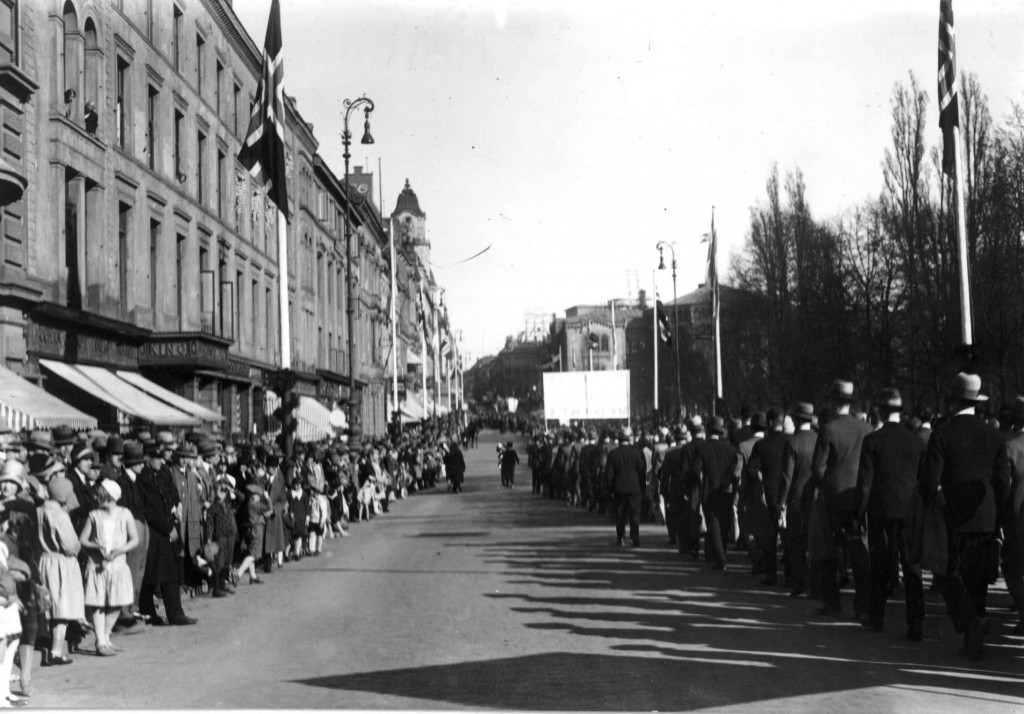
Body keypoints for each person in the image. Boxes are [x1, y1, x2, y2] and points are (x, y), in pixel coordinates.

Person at [920, 373, 1010, 660]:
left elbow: (928, 481)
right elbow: (1003, 483)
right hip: (986, 516)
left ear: (952, 400)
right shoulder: (995, 436)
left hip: (953, 517)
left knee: (948, 577)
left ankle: (970, 623)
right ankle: (974, 635)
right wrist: (998, 516)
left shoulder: (942, 435)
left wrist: (938, 500)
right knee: (979, 579)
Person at [855, 388, 925, 638]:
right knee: (911, 567)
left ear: (880, 411)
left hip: (880, 510)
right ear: (900, 410)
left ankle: (877, 619)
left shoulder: (872, 441)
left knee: (880, 566)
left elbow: (864, 483)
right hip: (909, 511)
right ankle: (915, 624)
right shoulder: (916, 441)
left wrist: (858, 513)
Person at [810, 379, 872, 620]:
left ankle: (832, 601)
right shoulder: (866, 428)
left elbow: (818, 468)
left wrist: (829, 482)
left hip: (834, 497)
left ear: (833, 402)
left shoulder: (828, 429)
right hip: (860, 496)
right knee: (859, 550)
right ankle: (863, 604)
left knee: (831, 552)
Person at [79, 480, 139, 656]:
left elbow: (134, 539)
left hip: (118, 564)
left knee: (117, 602)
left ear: (110, 496)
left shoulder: (125, 514)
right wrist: (96, 547)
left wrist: (120, 550)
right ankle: (101, 642)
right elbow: (82, 539)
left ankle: (105, 637)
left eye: (99, 494)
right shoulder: (94, 515)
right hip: (98, 564)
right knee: (98, 603)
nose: (96, 497)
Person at [37, 478, 84, 664]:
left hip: (44, 560)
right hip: (62, 564)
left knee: (49, 607)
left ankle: (47, 646)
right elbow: (71, 545)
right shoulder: (59, 515)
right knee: (62, 609)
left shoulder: (39, 511)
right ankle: (56, 651)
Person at [691, 416, 740, 568]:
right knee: (724, 523)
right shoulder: (730, 449)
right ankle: (721, 552)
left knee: (714, 525)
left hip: (709, 489)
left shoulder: (703, 448)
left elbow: (695, 470)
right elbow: (734, 471)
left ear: (707, 429)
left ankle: (720, 558)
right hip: (726, 490)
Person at [779, 402, 817, 597]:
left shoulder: (792, 443)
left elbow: (787, 476)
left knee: (797, 544)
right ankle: (817, 583)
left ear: (795, 419)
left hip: (796, 498)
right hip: (816, 498)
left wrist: (782, 502)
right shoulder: (819, 440)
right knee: (816, 542)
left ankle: (800, 582)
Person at [605, 428, 647, 547]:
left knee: (620, 514)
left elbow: (609, 474)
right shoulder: (638, 452)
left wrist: (609, 488)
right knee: (634, 514)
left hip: (619, 488)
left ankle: (620, 537)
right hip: (635, 487)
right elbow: (642, 471)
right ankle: (635, 537)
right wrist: (642, 486)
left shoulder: (614, 454)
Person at [204, 476, 238, 598]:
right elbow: (210, 524)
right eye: (220, 490)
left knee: (227, 562)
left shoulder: (229, 504)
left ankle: (222, 585)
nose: (222, 493)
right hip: (220, 536)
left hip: (230, 534)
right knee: (219, 562)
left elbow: (242, 498)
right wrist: (209, 538)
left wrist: (230, 489)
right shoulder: (213, 507)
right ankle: (216, 588)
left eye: (224, 491)